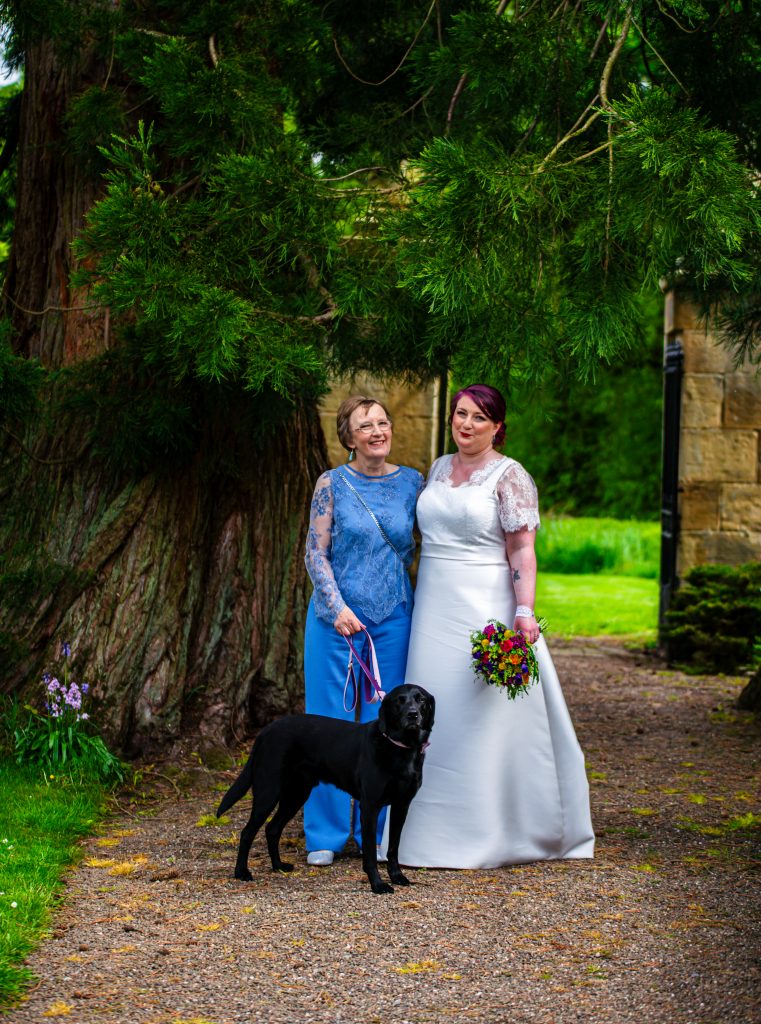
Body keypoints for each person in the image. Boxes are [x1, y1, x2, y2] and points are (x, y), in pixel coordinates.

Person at [393, 383, 594, 868]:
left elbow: (522, 549)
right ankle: (416, 832)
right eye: (461, 414)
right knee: (428, 706)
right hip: (433, 605)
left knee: (481, 712)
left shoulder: (511, 476)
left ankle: (489, 829)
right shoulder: (439, 468)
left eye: (479, 418)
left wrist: (524, 611)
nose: (466, 424)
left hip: (484, 605)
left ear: (498, 427)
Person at [303, 395, 425, 866]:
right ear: (349, 437)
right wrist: (336, 607)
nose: (377, 430)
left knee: (386, 726)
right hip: (335, 622)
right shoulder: (331, 484)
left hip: (393, 617)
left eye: (382, 422)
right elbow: (316, 552)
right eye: (364, 425)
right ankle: (326, 834)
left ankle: (373, 830)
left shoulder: (414, 482)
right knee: (330, 723)